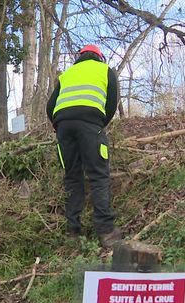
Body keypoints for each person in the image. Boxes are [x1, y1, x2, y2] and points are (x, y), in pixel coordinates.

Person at [46, 44, 122, 247]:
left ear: (79, 57)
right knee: (98, 175)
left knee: (72, 178)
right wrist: (99, 124)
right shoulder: (105, 70)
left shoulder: (67, 74)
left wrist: (59, 126)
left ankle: (73, 232)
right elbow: (112, 103)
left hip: (63, 126)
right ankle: (106, 231)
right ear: (100, 57)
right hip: (90, 124)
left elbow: (50, 106)